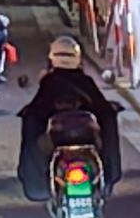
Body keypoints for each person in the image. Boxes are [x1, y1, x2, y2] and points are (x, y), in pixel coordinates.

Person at [11, 40, 121, 199]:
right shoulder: (85, 82)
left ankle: (34, 179)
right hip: (83, 139)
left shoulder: (50, 82)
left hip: (66, 139)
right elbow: (102, 108)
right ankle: (110, 174)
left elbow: (37, 111)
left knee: (31, 126)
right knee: (109, 119)